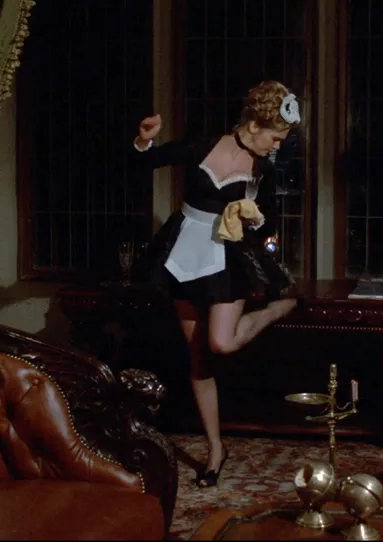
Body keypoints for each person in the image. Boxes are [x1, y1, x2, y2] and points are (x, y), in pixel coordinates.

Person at [132, 80, 301, 488]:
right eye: (276, 138)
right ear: (255, 125)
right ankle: (215, 448)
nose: (277, 146)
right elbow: (147, 161)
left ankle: (278, 308)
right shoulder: (202, 144)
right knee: (198, 358)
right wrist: (144, 140)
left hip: (227, 258)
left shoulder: (263, 169)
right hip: (183, 252)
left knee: (221, 343)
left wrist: (255, 218)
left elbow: (269, 222)